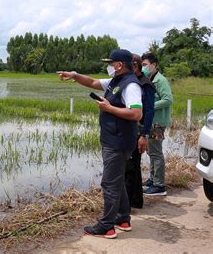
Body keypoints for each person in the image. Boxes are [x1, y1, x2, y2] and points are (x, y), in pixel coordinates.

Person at [58, 49, 143, 239]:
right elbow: (92, 82)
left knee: (109, 183)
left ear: (119, 65)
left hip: (118, 142)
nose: (109, 66)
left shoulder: (131, 86)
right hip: (113, 139)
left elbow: (137, 114)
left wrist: (109, 108)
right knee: (117, 180)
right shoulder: (115, 82)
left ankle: (107, 225)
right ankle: (122, 219)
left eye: (111, 63)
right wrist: (75, 75)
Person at [124, 54, 156, 208]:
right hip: (130, 130)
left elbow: (149, 112)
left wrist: (144, 135)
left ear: (134, 66)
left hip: (138, 131)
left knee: (130, 168)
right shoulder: (133, 82)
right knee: (133, 166)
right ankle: (136, 201)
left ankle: (127, 205)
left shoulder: (145, 84)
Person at [141, 52, 173, 196]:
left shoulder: (160, 80)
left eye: (145, 65)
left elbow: (167, 99)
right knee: (151, 151)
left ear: (153, 65)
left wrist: (149, 106)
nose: (143, 68)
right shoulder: (150, 78)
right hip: (152, 121)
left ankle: (159, 185)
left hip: (157, 122)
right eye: (142, 65)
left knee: (155, 152)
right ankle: (153, 179)